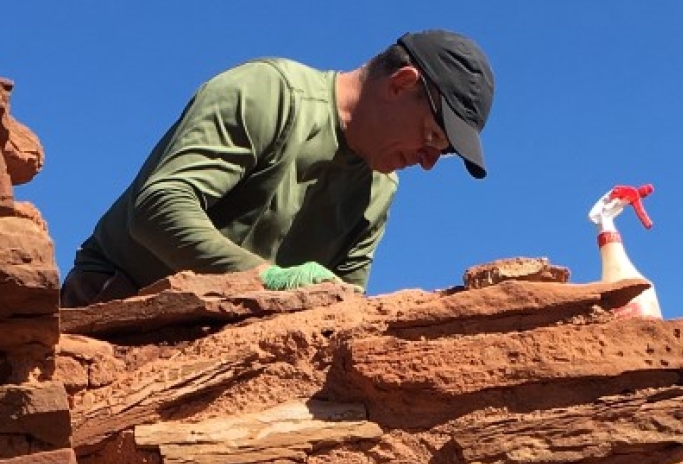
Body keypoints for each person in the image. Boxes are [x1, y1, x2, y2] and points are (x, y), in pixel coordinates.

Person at [60, 30, 494, 307]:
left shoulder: (379, 190)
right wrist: (267, 279)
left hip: (227, 338)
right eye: (433, 136)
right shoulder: (271, 94)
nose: (429, 161)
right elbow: (158, 208)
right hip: (117, 302)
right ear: (401, 83)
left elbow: (343, 304)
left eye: (446, 153)